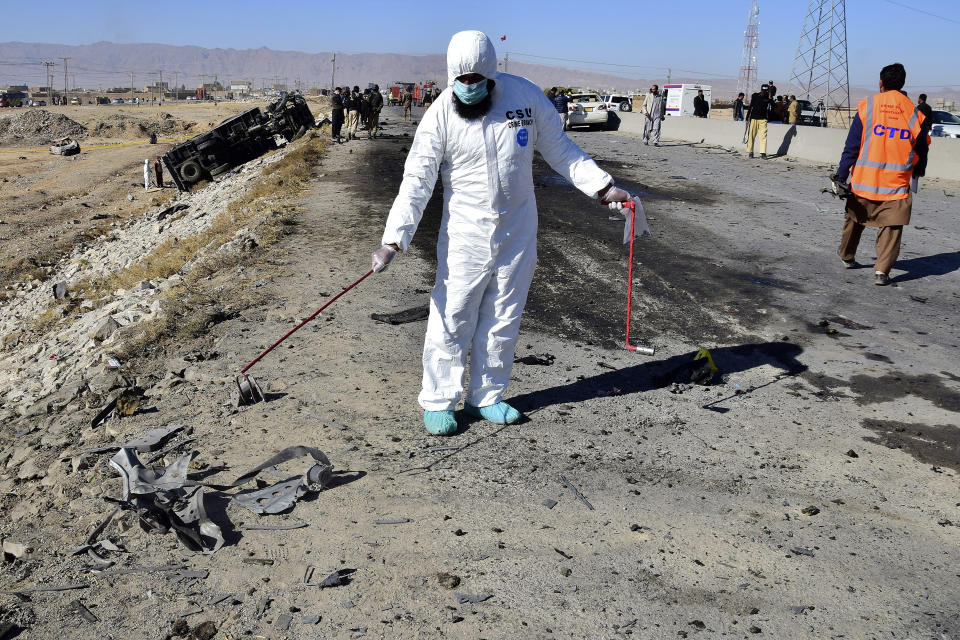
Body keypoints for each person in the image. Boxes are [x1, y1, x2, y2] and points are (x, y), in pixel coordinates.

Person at [370, 31, 633, 436]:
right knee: (453, 314)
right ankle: (439, 400)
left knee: (503, 315)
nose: (470, 87)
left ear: (493, 74)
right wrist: (393, 240)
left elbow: (560, 149)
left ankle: (485, 396)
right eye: (462, 80)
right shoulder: (440, 114)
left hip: (517, 227)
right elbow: (416, 181)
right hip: (466, 234)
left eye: (478, 79)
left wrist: (602, 186)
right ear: (451, 76)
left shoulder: (525, 98)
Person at [833, 63, 928, 286]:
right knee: (892, 226)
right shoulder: (914, 113)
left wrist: (841, 174)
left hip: (865, 181)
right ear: (903, 83)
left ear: (881, 82)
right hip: (896, 184)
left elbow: (852, 146)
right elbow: (922, 150)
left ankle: (847, 256)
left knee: (855, 219)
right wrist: (919, 171)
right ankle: (882, 271)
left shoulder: (869, 106)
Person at [746, 87, 770, 158]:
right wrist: (747, 117)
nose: (764, 92)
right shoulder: (755, 95)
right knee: (751, 136)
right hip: (754, 118)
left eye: (765, 91)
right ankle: (750, 152)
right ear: (761, 90)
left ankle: (763, 153)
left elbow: (774, 106)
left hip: (763, 119)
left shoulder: (768, 97)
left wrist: (770, 98)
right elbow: (751, 106)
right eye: (763, 90)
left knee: (763, 136)